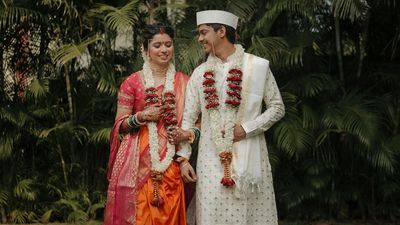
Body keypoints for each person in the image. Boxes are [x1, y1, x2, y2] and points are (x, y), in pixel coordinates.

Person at [176, 10, 285, 225]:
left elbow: (277, 107)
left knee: (252, 216)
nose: (199, 39)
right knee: (211, 217)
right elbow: (188, 119)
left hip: (251, 159)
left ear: (222, 31)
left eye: (203, 32)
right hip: (210, 160)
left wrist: (246, 129)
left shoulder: (257, 67)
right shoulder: (199, 74)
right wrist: (184, 159)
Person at [104, 23, 192, 225]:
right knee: (140, 213)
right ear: (145, 50)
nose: (164, 50)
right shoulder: (133, 82)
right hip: (137, 160)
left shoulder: (186, 82)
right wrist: (141, 117)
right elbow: (120, 124)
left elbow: (195, 124)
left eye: (168, 45)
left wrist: (185, 143)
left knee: (170, 208)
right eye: (157, 45)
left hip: (172, 157)